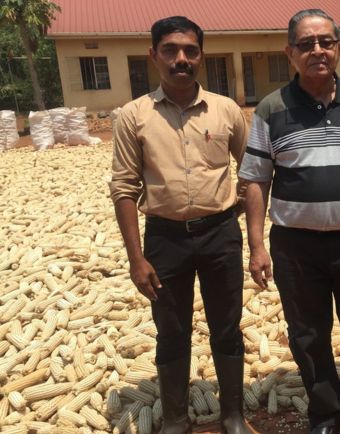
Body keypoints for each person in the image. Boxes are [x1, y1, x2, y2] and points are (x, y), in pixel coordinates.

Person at [238, 9, 340, 434]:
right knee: (308, 337)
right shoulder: (271, 109)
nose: (317, 51)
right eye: (306, 44)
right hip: (296, 247)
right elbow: (255, 179)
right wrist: (256, 245)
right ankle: (326, 415)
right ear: (290, 52)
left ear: (339, 48)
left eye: (325, 42)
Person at [109, 16, 252, 434]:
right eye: (170, 50)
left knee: (227, 325)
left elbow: (254, 170)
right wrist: (136, 258)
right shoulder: (134, 116)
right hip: (165, 240)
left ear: (201, 56)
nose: (181, 59)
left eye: (190, 50)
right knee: (171, 331)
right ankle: (174, 418)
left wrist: (232, 210)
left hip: (220, 236)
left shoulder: (226, 110)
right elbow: (123, 188)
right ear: (154, 55)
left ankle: (232, 414)